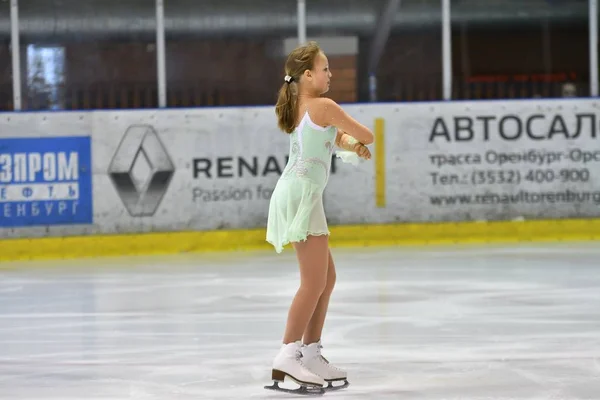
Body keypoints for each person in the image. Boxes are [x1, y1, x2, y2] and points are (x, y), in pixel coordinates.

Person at [264, 41, 374, 394]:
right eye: (325, 69)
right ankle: (287, 354)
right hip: (303, 196)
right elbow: (367, 134)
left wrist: (347, 143)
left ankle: (310, 353)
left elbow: (327, 137)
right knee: (313, 282)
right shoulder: (324, 105)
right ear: (308, 74)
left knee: (326, 278)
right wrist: (358, 140)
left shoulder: (300, 104)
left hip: (297, 192)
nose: (331, 74)